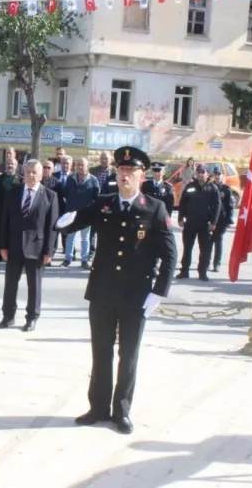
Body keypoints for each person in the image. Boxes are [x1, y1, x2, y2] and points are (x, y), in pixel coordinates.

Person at [56, 146, 177, 434]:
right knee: (101, 352)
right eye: (121, 170)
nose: (124, 175)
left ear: (141, 176)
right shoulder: (103, 204)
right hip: (102, 293)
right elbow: (76, 221)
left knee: (128, 354)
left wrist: (158, 293)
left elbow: (170, 254)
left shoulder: (155, 208)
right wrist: (63, 223)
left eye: (130, 171)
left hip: (136, 296)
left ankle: (121, 411)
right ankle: (97, 407)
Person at [0, 159, 59, 331]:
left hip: (37, 248)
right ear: (23, 174)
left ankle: (32, 317)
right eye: (28, 171)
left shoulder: (50, 196)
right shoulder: (13, 193)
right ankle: (8, 316)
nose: (31, 175)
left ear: (41, 175)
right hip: (14, 246)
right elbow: (5, 221)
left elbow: (52, 227)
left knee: (35, 285)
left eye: (35, 172)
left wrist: (49, 251)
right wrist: (3, 245)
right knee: (10, 283)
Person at [176, 165, 221, 281]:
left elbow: (217, 206)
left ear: (207, 174)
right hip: (190, 222)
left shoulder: (213, 188)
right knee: (187, 248)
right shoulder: (190, 187)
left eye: (203, 172)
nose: (200, 174)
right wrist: (180, 218)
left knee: (205, 249)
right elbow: (182, 203)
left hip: (205, 224)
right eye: (198, 172)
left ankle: (202, 272)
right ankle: (184, 271)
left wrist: (213, 222)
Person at [210, 168, 234, 272]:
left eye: (219, 174)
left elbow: (230, 206)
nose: (217, 176)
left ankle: (217, 264)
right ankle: (206, 263)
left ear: (222, 176)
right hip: (210, 219)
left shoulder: (226, 189)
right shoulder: (209, 187)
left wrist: (229, 220)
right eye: (215, 174)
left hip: (221, 220)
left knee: (218, 242)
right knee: (208, 242)